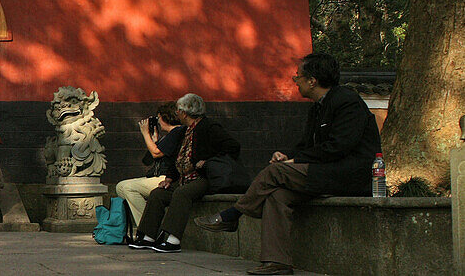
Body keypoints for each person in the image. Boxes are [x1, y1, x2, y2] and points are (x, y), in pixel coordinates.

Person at [194, 52, 382, 276]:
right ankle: (277, 262)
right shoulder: (317, 107)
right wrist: (287, 155)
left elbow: (339, 146)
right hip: (321, 173)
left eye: (298, 77)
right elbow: (305, 145)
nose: (295, 81)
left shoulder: (346, 101)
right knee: (277, 196)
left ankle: (233, 215)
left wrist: (296, 160)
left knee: (275, 173)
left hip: (347, 174)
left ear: (312, 80)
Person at [128, 93, 240, 253]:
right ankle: (148, 237)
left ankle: (173, 239)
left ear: (186, 113)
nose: (177, 113)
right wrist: (169, 178)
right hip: (183, 178)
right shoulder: (184, 131)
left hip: (203, 178)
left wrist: (208, 160)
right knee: (158, 194)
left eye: (179, 110)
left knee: (182, 193)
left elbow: (233, 146)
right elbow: (177, 157)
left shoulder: (209, 127)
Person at [114, 102, 184, 238]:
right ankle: (148, 224)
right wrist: (154, 140)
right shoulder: (169, 135)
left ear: (165, 117)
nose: (158, 122)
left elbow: (156, 153)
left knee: (128, 188)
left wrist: (145, 133)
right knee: (121, 187)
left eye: (158, 118)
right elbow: (148, 160)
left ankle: (149, 229)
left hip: (167, 178)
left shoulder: (177, 132)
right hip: (158, 176)